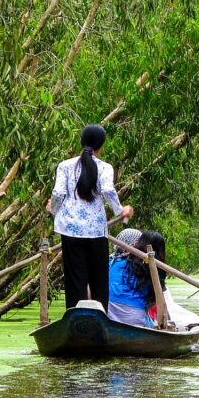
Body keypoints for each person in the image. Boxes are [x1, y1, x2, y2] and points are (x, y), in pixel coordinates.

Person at [47, 124, 134, 310]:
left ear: (81, 142)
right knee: (98, 279)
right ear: (101, 146)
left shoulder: (65, 166)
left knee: (74, 279)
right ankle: (100, 316)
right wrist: (120, 211)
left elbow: (58, 193)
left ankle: (75, 318)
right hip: (95, 232)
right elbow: (108, 190)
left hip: (70, 230)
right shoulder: (105, 168)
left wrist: (53, 209)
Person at [108, 230, 166, 327]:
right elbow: (157, 303)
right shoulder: (151, 270)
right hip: (134, 318)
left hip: (108, 314)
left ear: (137, 244)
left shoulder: (114, 261)